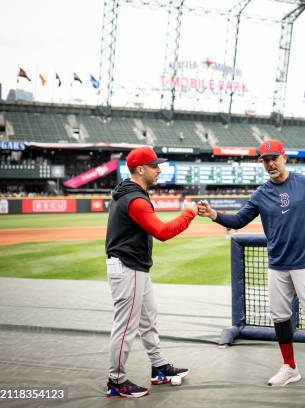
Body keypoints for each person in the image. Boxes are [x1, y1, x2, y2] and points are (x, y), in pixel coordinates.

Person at [197, 139, 305, 387]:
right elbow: (238, 221)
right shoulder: (261, 193)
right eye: (265, 160)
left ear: (283, 158)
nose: (270, 164)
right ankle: (290, 367)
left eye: (273, 158)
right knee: (279, 317)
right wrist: (214, 215)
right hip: (277, 264)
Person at [105, 147, 196, 398]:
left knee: (148, 320)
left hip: (135, 268)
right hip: (128, 268)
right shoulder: (134, 199)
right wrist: (188, 213)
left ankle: (159, 367)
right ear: (141, 169)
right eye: (155, 166)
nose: (159, 170)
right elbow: (163, 232)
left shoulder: (132, 193)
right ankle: (117, 380)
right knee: (125, 328)